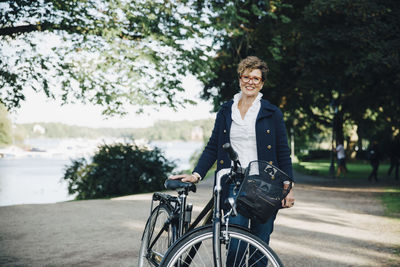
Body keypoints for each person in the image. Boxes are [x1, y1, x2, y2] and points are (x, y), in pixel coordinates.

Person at [169, 56, 294, 265]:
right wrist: (197, 174)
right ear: (240, 79)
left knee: (260, 243)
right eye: (247, 77)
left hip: (265, 183)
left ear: (262, 82)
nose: (250, 82)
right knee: (236, 241)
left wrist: (288, 187)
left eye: (256, 78)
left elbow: (283, 152)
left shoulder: (272, 113)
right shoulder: (226, 110)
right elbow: (213, 147)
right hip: (234, 181)